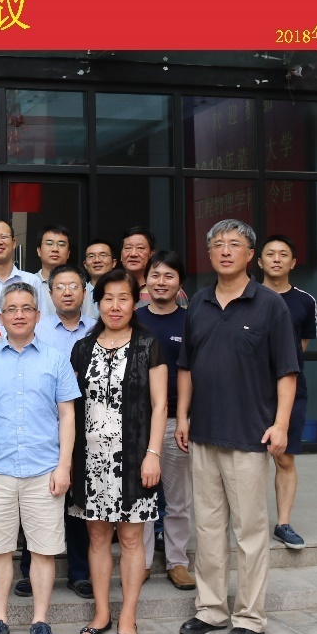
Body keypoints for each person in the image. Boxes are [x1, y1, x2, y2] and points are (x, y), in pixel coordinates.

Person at [177, 220, 297, 634]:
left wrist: (281, 424)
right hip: (204, 434)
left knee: (249, 531)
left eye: (235, 244)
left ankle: (250, 617)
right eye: (218, 245)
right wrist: (183, 416)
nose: (225, 251)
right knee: (208, 529)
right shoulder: (199, 302)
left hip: (249, 435)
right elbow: (186, 366)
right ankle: (211, 609)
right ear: (209, 254)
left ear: (250, 255)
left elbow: (287, 371)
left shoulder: (270, 305)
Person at [0, 282, 78, 634]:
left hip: (44, 470)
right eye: (11, 309)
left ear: (37, 315)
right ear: (0, 317)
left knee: (44, 550)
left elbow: (67, 415)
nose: (19, 315)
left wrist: (64, 466)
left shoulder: (55, 359)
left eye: (26, 308)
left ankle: (40, 621)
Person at [70, 269, 166, 634]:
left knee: (130, 537)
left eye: (123, 298)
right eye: (107, 298)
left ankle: (128, 615)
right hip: (90, 459)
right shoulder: (82, 348)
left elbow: (160, 405)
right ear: (97, 303)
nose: (115, 306)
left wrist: (153, 455)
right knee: (97, 538)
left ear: (134, 302)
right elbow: (70, 408)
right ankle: (101, 612)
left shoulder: (149, 345)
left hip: (135, 458)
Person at [30, 263, 96, 601]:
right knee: (37, 496)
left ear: (84, 292)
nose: (67, 292)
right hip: (42, 423)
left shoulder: (98, 329)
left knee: (78, 499)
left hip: (88, 422)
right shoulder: (37, 329)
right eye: (60, 287)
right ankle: (30, 570)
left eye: (74, 286)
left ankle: (79, 572)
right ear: (50, 292)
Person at [136, 252, 194, 590]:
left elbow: (192, 372)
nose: (161, 282)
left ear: (180, 283)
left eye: (169, 276)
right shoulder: (133, 319)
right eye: (155, 275)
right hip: (138, 423)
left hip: (175, 421)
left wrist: (184, 416)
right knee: (141, 496)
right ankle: (141, 562)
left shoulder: (190, 321)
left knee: (177, 497)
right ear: (146, 280)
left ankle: (178, 561)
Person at [258, 234, 317, 551]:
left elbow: (299, 348)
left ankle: (283, 523)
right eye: (270, 254)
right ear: (259, 261)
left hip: (290, 389)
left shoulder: (305, 301)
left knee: (284, 458)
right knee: (246, 462)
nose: (277, 259)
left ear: (293, 263)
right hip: (251, 389)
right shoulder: (247, 295)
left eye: (284, 254)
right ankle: (248, 523)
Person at [32, 224, 73, 315]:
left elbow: (89, 321)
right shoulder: (29, 282)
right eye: (49, 244)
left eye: (61, 245)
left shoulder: (78, 285)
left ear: (68, 253)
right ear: (39, 251)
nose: (55, 249)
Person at [81, 237, 116, 321]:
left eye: (103, 255)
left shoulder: (122, 291)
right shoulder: (79, 293)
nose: (97, 260)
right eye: (91, 256)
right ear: (85, 264)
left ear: (113, 263)